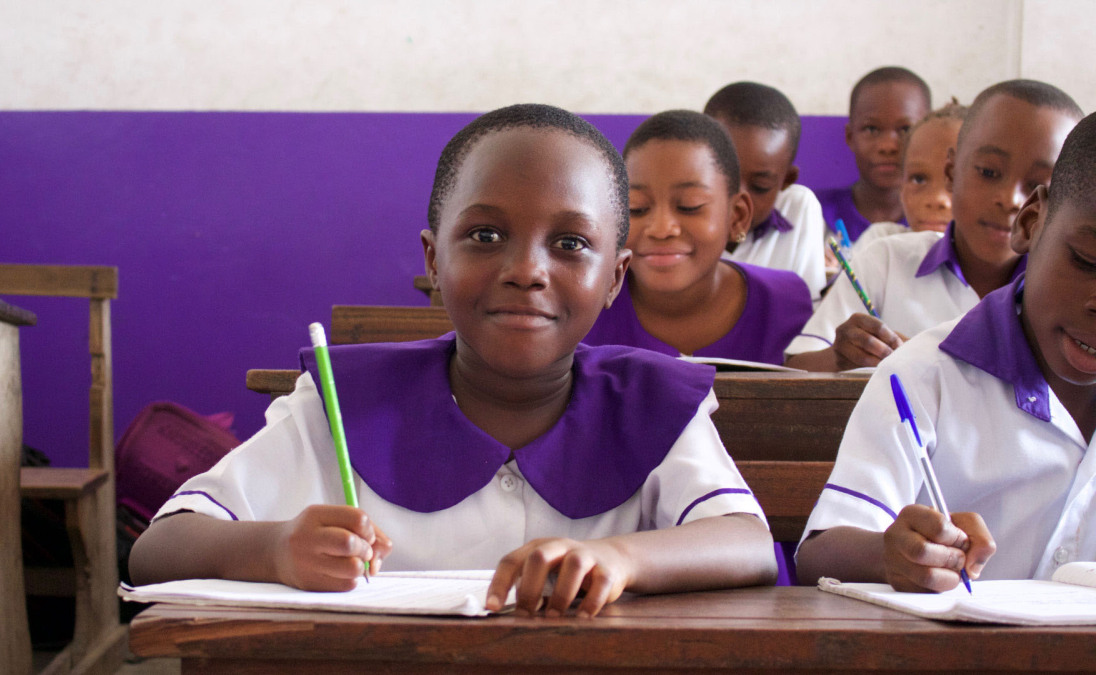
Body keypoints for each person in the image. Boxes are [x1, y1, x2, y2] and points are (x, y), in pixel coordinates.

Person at [128, 104, 777, 618]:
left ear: (615, 277)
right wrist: (272, 548)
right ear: (435, 260)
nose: (527, 270)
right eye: (485, 235)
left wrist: (620, 558)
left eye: (571, 242)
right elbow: (159, 547)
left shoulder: (652, 404)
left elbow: (747, 542)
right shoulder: (342, 402)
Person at [795, 110, 1096, 590]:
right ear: (1033, 223)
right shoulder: (925, 376)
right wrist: (890, 553)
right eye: (1085, 261)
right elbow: (818, 553)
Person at [786, 80, 1082, 372]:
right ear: (952, 173)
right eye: (989, 172)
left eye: (1038, 184)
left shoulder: (1071, 292)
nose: (1010, 200)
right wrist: (841, 356)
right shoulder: (887, 262)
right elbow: (797, 366)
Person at [583, 110, 812, 367]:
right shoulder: (585, 306)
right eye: (637, 208)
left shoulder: (785, 304)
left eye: (689, 206)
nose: (661, 229)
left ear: (737, 216)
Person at [704, 82, 827, 300]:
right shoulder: (673, 214)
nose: (737, 200)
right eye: (724, 178)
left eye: (759, 187)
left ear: (786, 181)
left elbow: (807, 309)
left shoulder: (797, 209)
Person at [815, 67, 932, 244]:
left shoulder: (938, 219)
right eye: (872, 129)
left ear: (927, 135)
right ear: (850, 137)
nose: (888, 146)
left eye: (906, 129)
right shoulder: (815, 214)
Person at [852, 100, 968, 251]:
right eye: (919, 179)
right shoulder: (881, 243)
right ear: (901, 187)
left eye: (955, 181)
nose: (937, 200)